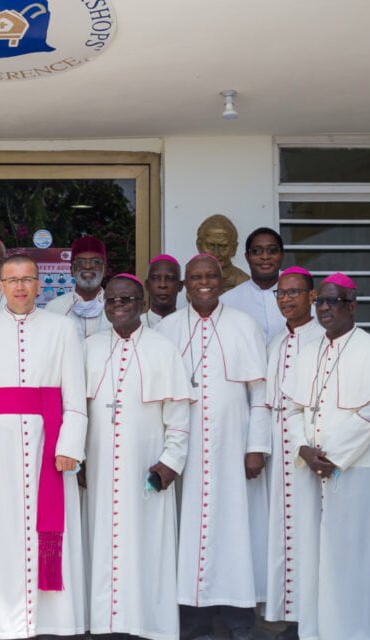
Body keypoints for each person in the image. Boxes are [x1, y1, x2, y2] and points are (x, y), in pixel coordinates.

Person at [0, 255, 87, 640]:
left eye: (27, 279)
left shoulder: (63, 328)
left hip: (49, 445)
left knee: (48, 531)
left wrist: (70, 445)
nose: (19, 287)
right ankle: (2, 622)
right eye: (11, 280)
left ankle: (52, 620)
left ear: (39, 284)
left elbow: (75, 399)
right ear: (0, 285)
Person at [155, 254, 268, 640]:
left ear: (222, 282)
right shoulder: (167, 329)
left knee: (235, 530)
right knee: (185, 533)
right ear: (185, 285)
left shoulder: (244, 326)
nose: (204, 283)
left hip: (231, 446)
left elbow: (260, 393)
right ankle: (193, 620)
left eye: (211, 277)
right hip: (183, 450)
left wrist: (256, 446)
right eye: (196, 278)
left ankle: (239, 619)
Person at [283, 273, 370, 640]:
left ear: (352, 305)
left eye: (333, 302)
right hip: (311, 471)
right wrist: (303, 449)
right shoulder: (308, 351)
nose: (325, 309)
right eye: (321, 303)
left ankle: (356, 632)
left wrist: (331, 457)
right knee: (315, 558)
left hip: (356, 471)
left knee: (354, 559)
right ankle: (316, 631)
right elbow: (292, 409)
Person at [84, 273, 191, 640]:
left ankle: (146, 623)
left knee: (146, 545)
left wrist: (171, 461)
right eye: (111, 301)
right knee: (98, 542)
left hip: (145, 465)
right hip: (97, 466)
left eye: (126, 300)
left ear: (142, 305)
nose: (118, 307)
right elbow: (76, 410)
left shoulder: (163, 349)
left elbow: (178, 414)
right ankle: (101, 622)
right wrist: (78, 458)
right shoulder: (89, 347)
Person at [257, 267, 324, 639]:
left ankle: (313, 618)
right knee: (284, 532)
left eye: (293, 292)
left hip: (309, 447)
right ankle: (293, 616)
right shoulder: (275, 342)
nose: (285, 299)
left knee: (311, 531)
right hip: (279, 449)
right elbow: (267, 403)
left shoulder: (322, 338)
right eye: (280, 294)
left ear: (312, 296)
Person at [220, 228, 288, 342]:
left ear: (281, 255)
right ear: (247, 257)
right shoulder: (227, 301)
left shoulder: (299, 296)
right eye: (256, 251)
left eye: (272, 250)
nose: (265, 257)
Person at [44, 236, 112, 339]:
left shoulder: (117, 307)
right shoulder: (54, 308)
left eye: (96, 262)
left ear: (105, 269)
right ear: (71, 270)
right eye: (80, 262)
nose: (88, 267)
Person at [194, 214, 249, 293]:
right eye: (210, 245)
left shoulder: (244, 282)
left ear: (234, 248)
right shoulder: (192, 280)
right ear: (199, 246)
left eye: (223, 246)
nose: (216, 253)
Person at [142, 254, 183, 329]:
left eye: (170, 278)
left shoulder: (188, 325)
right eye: (155, 278)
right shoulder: (136, 325)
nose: (162, 285)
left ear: (180, 286)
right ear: (147, 285)